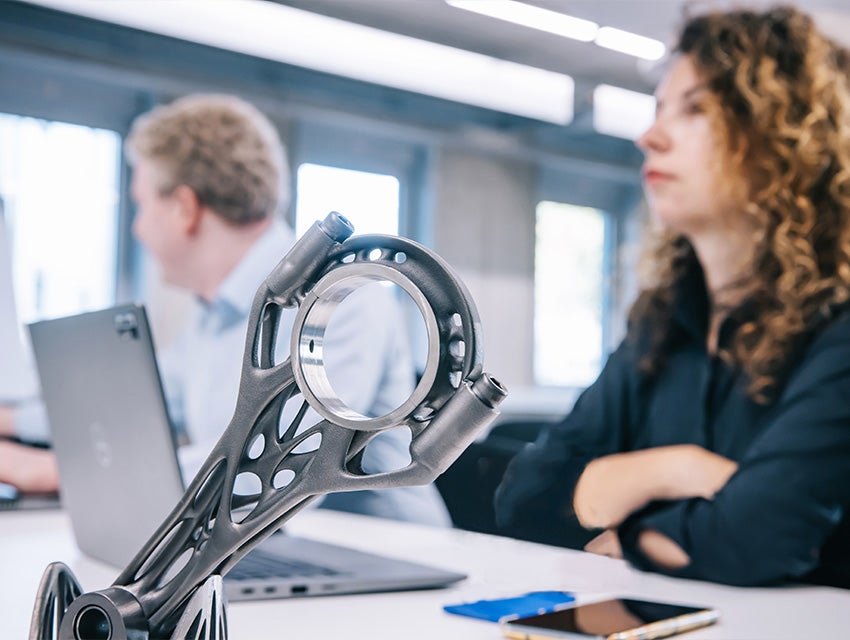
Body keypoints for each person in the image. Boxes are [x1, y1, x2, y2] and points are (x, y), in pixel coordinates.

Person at [495, 6, 850, 589]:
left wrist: (624, 529)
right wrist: (675, 469)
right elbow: (526, 496)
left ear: (781, 138)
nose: (650, 136)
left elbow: (752, 538)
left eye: (696, 110)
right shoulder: (661, 323)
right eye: (658, 110)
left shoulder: (837, 327)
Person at [125, 93, 451, 526]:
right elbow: (146, 402)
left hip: (380, 556)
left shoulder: (341, 296)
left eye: (141, 205)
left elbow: (281, 473)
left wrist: (74, 476)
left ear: (185, 208)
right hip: (255, 542)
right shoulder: (211, 313)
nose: (136, 227)